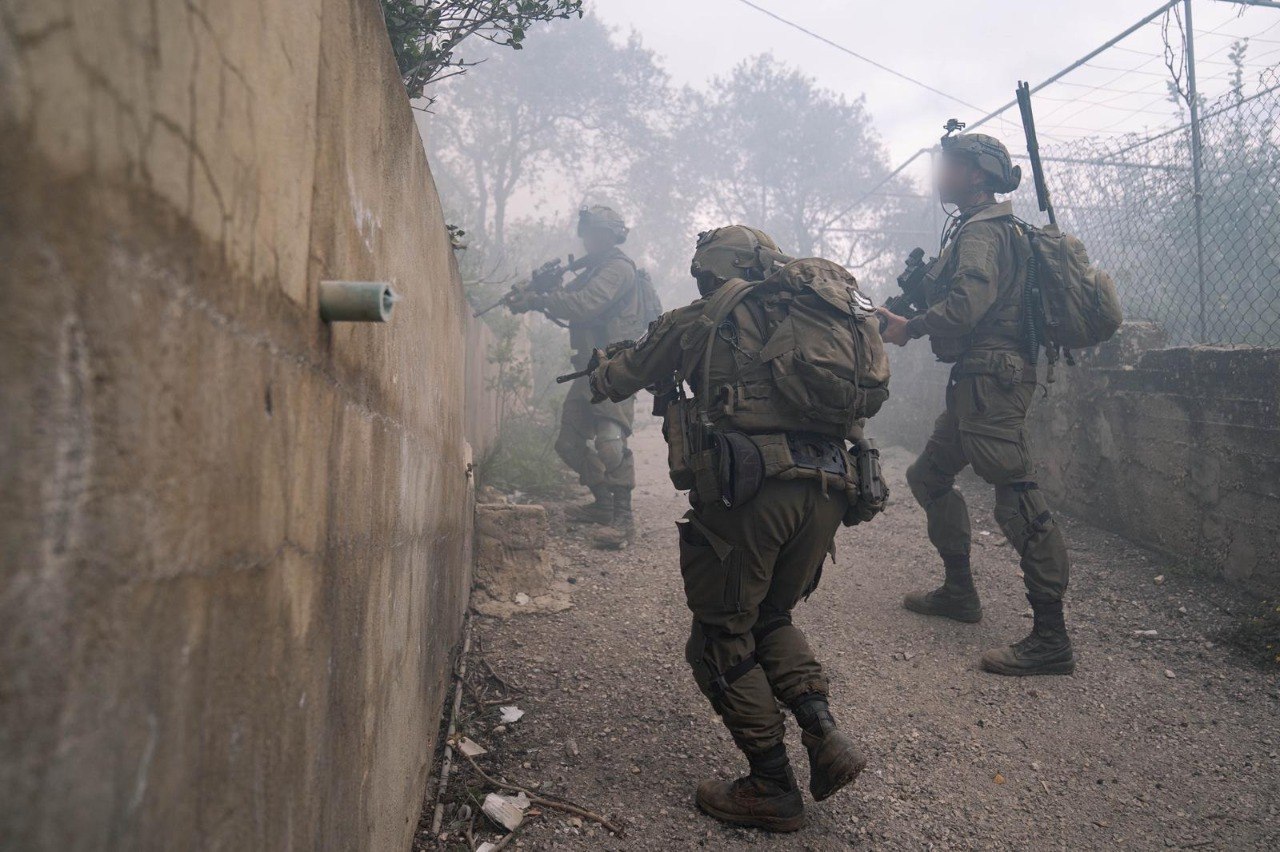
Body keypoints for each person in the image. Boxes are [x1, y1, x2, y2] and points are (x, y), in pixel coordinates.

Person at [586, 226, 883, 832]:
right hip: (831, 489)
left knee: (719, 636)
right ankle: (823, 732)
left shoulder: (704, 316)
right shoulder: (816, 314)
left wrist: (601, 366)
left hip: (751, 491)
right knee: (770, 616)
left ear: (711, 271)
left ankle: (771, 785)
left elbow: (617, 379)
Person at [876, 130, 1075, 677]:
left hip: (993, 381)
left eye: (950, 165)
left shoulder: (984, 231)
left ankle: (1052, 638)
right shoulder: (977, 226)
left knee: (1017, 498)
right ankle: (960, 593)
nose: (940, 174)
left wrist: (911, 327)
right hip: (976, 380)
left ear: (978, 174)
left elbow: (966, 306)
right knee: (928, 476)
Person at [509, 205, 642, 535]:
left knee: (610, 443)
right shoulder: (592, 269)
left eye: (596, 233)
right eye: (588, 234)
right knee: (568, 443)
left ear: (610, 236)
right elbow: (569, 299)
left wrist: (540, 299)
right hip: (588, 370)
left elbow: (584, 305)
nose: (589, 240)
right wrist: (534, 293)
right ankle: (603, 504)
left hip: (614, 369)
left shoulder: (618, 269)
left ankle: (623, 518)